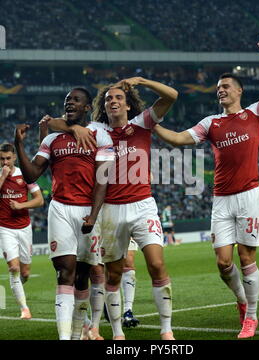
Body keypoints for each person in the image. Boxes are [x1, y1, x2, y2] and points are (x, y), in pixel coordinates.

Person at [153, 36, 259, 339]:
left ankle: (251, 318)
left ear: (239, 90)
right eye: (218, 88)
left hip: (249, 195)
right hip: (221, 201)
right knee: (223, 263)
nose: (221, 90)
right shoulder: (210, 123)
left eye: (226, 86)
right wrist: (151, 125)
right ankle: (242, 300)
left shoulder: (254, 113)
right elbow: (178, 139)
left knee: (246, 258)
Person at [48, 77, 178, 340]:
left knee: (156, 263)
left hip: (143, 205)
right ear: (103, 106)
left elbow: (172, 96)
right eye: (108, 99)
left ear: (128, 105)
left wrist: (141, 80)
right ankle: (117, 332)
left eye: (118, 98)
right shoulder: (96, 129)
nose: (113, 101)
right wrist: (76, 130)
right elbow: (51, 122)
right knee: (113, 273)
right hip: (110, 210)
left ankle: (166, 330)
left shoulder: (142, 122)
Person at [14, 87, 114, 340]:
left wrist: (94, 214)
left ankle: (82, 329)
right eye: (67, 100)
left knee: (83, 275)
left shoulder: (100, 135)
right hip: (59, 208)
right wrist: (19, 146)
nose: (69, 103)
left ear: (87, 107)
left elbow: (102, 180)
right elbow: (31, 174)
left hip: (88, 210)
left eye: (76, 100)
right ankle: (64, 336)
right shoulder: (51, 139)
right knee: (65, 272)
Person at [0, 143, 44, 319]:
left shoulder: (25, 175)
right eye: (2, 158)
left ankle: (17, 285)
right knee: (14, 267)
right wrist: (3, 177)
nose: (5, 162)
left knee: (25, 272)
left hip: (24, 227)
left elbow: (39, 200)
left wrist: (21, 205)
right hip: (4, 228)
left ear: (14, 158)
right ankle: (24, 308)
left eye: (8, 158)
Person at [122, 238, 140, 328]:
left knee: (128, 263)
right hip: (104, 227)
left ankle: (128, 311)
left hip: (126, 226)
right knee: (99, 269)